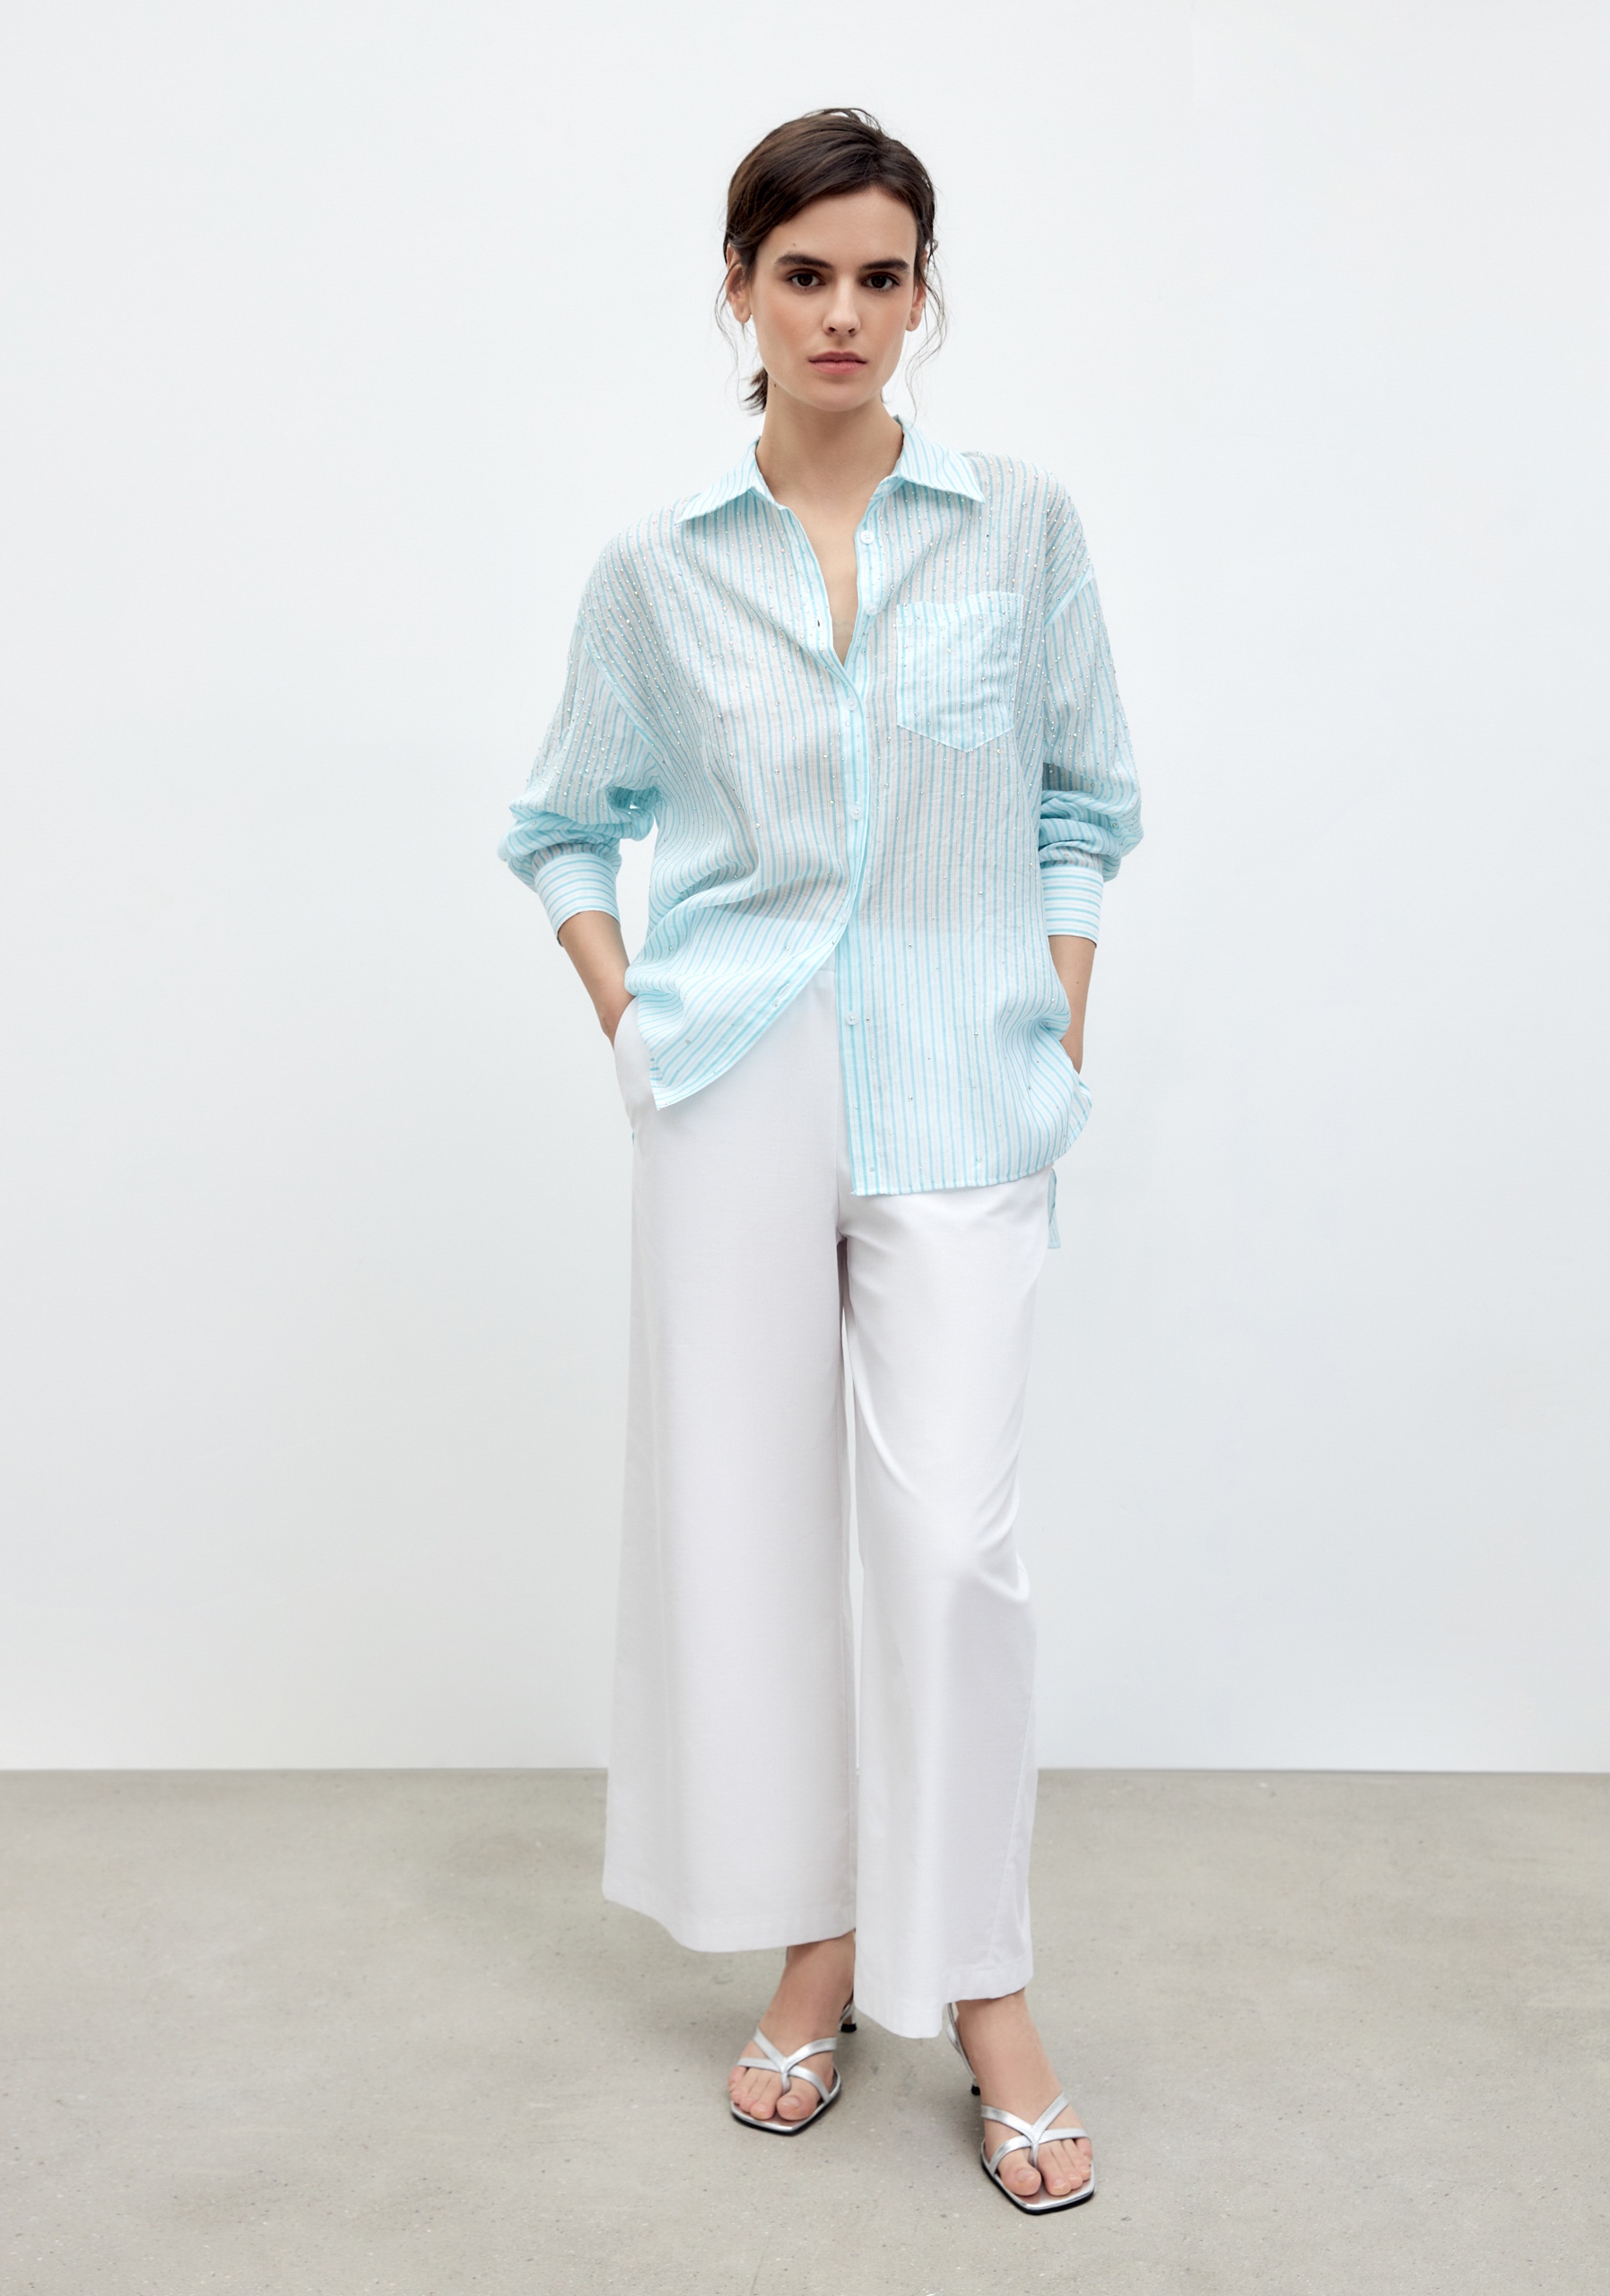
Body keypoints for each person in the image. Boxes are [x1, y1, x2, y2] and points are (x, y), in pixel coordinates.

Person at [500, 107, 1141, 2215]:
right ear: (741, 290)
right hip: (736, 1083)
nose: (844, 313)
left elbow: (1084, 797)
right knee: (754, 1547)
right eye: (805, 274)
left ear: (924, 292)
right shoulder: (659, 564)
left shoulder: (1019, 524)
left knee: (949, 1549)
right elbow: (559, 824)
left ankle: (990, 1989)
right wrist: (634, 1022)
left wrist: (1056, 1007)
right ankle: (818, 1946)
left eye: (882, 275)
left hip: (962, 1084)